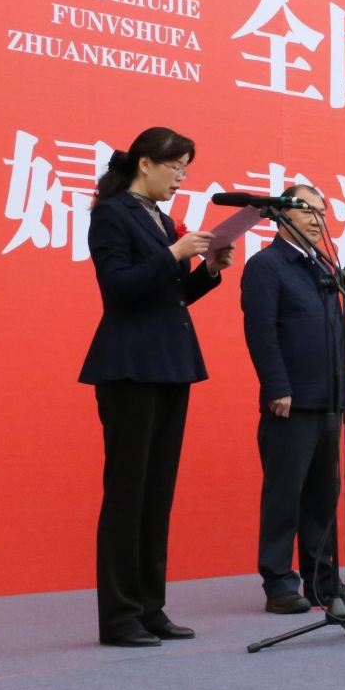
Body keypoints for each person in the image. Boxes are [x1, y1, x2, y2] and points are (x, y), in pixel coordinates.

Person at [80, 127, 234, 647]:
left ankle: (151, 608)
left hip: (170, 365)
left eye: (186, 168)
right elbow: (119, 287)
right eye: (175, 167)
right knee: (128, 493)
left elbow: (171, 296)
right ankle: (119, 617)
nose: (181, 178)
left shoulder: (162, 220)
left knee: (157, 493)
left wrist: (207, 269)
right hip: (129, 367)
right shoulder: (111, 213)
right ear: (145, 163)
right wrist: (173, 254)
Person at [240, 184, 345, 615]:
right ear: (283, 214)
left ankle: (323, 582)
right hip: (291, 401)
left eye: (322, 211)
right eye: (307, 209)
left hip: (329, 401)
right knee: (285, 496)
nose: (316, 219)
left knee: (323, 498)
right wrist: (276, 386)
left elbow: (336, 334)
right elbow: (261, 332)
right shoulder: (267, 266)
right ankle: (280, 583)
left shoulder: (322, 266)